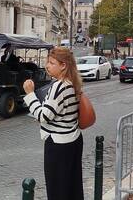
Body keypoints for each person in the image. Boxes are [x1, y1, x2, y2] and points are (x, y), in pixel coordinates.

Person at [23, 47, 84, 200]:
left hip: (59, 145)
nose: (47, 66)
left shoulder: (59, 86)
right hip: (72, 139)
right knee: (72, 187)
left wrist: (30, 94)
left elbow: (44, 116)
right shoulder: (72, 82)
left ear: (63, 65)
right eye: (47, 62)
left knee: (57, 189)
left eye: (51, 63)